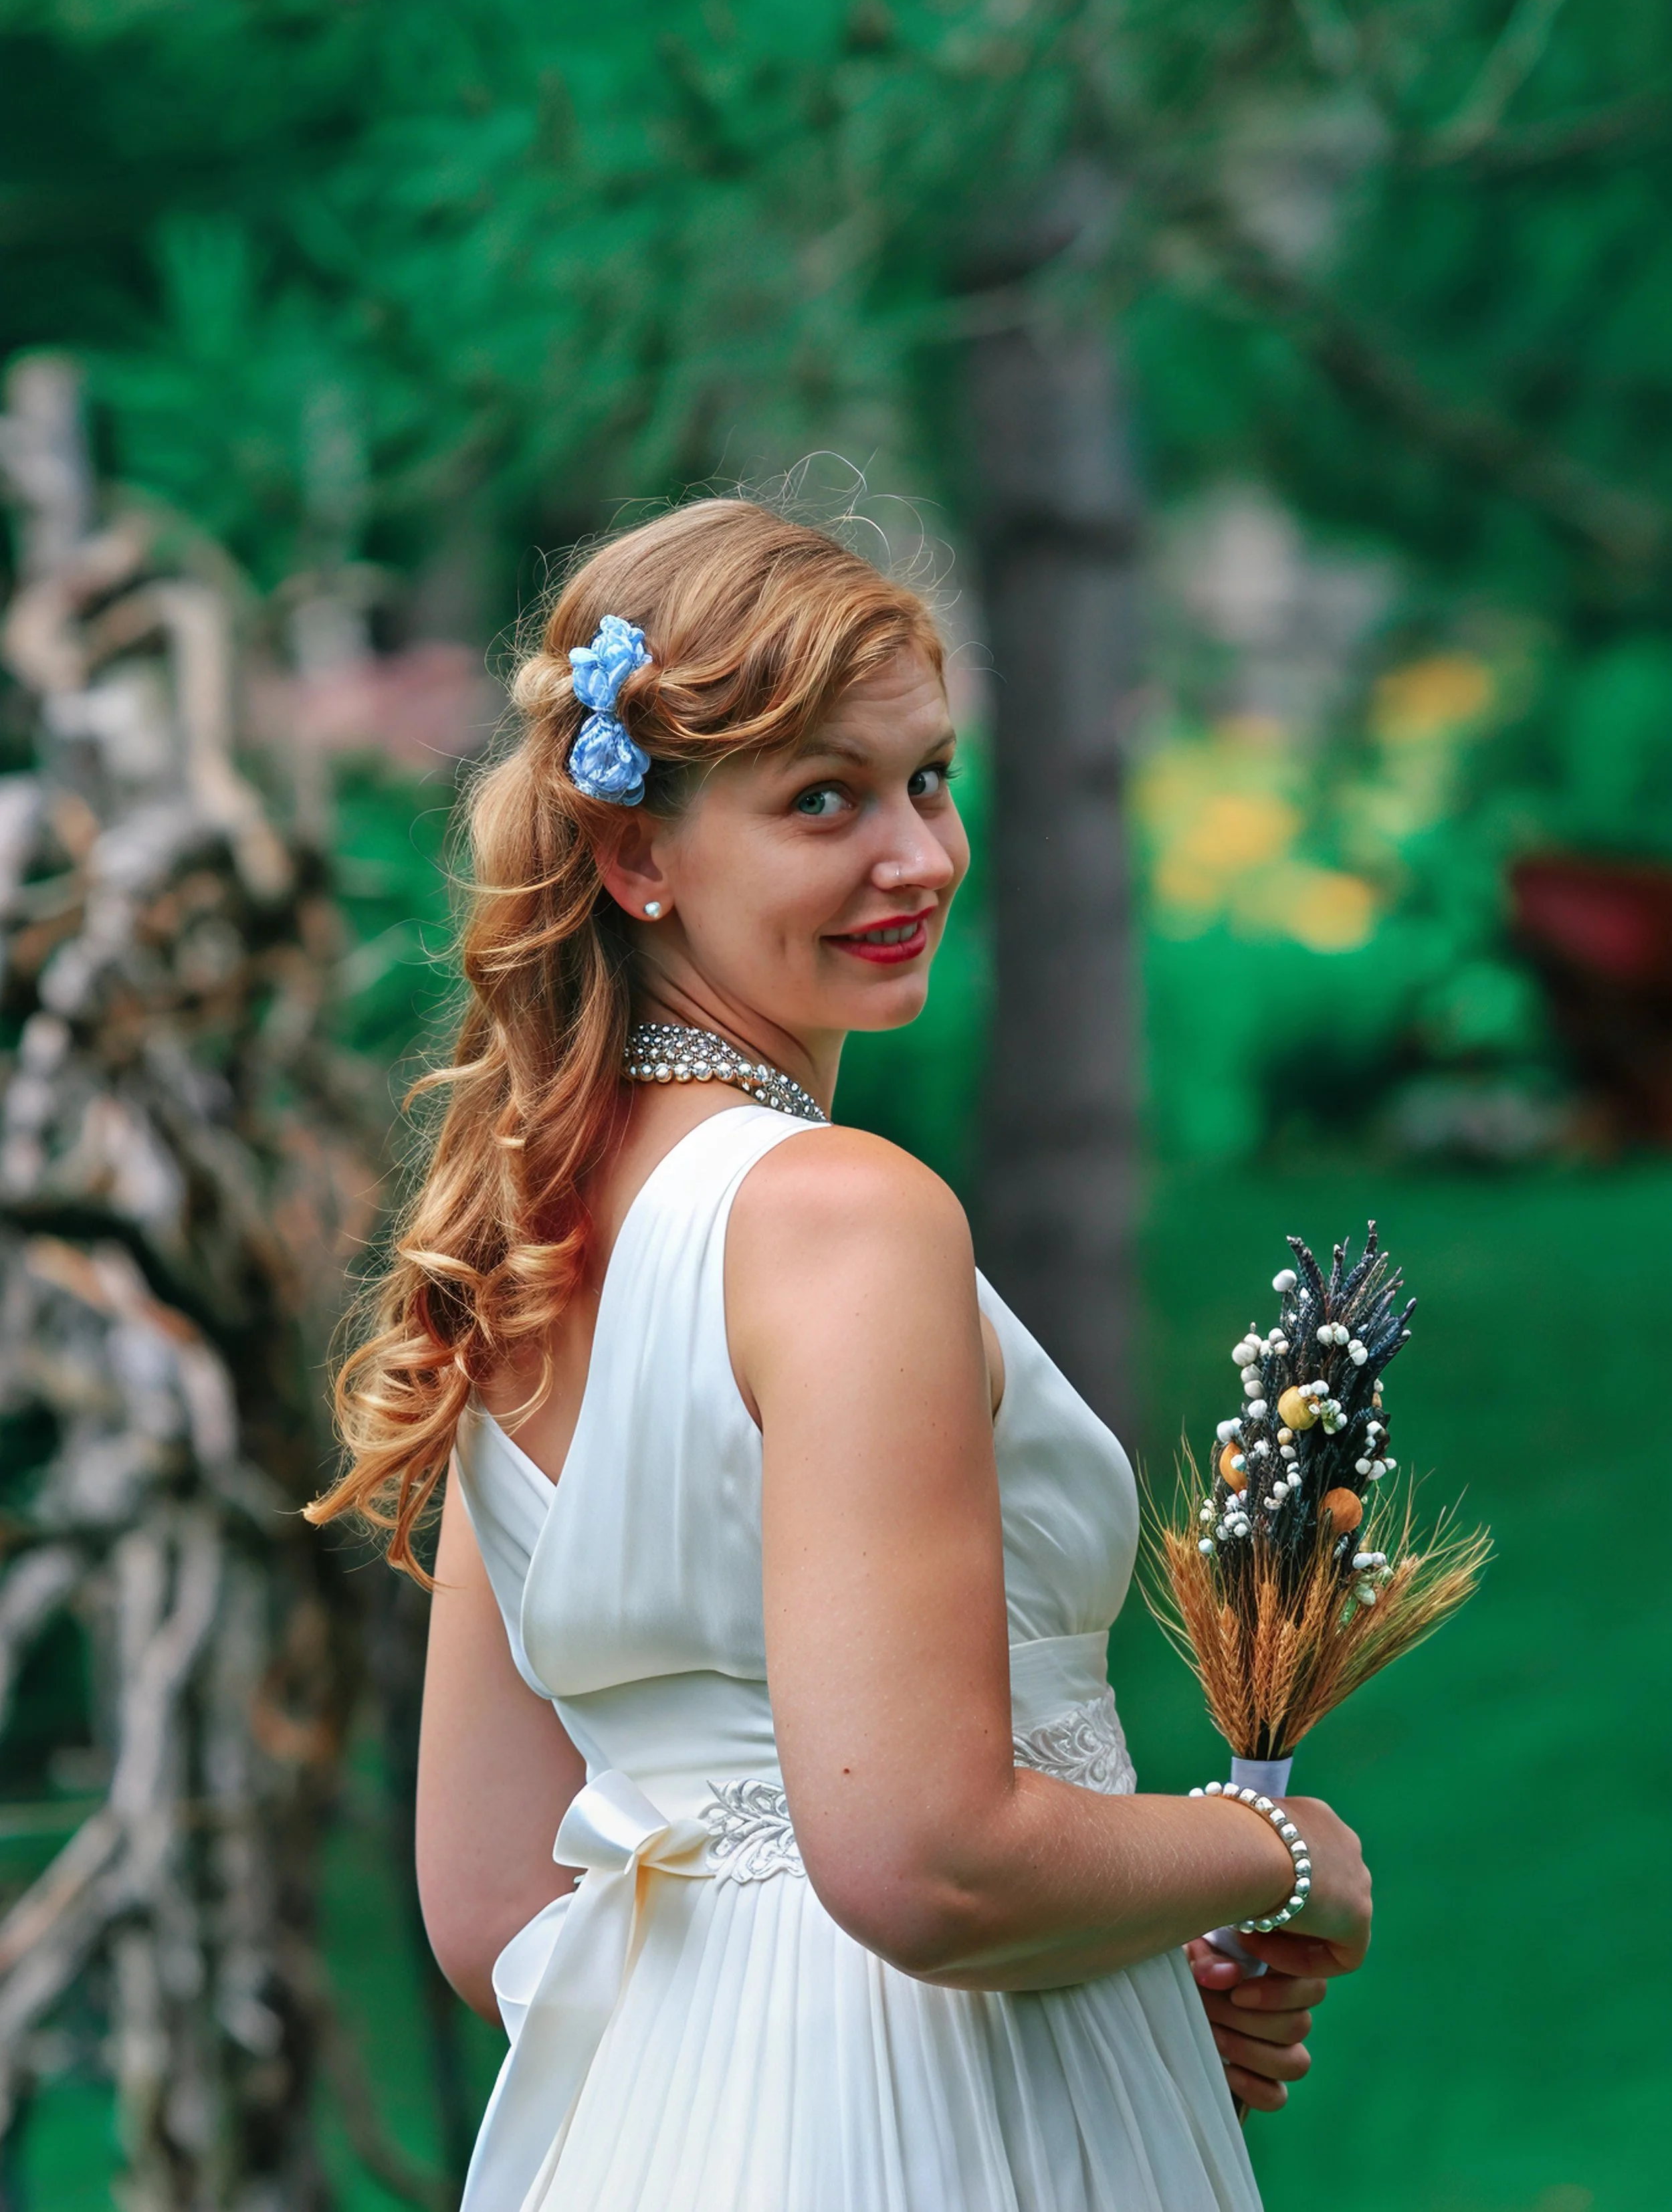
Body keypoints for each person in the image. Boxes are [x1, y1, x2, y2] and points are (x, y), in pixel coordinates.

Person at [308, 500, 1372, 2211]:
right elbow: (925, 1864)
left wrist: (1090, 1953)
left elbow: (492, 1904)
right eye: (822, 799)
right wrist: (1276, 1853)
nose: (918, 857)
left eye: (927, 780)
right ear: (635, 856)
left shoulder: (525, 1240)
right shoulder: (841, 1218)